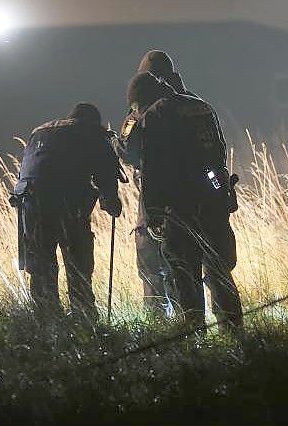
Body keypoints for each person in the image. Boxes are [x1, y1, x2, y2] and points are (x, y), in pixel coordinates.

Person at [125, 72, 242, 330]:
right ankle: (233, 332)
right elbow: (220, 151)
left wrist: (154, 212)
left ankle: (192, 334)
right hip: (213, 200)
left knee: (184, 273)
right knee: (219, 270)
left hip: (179, 207)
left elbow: (152, 167)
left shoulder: (156, 113)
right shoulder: (200, 105)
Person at [115, 50, 204, 317]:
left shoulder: (144, 107)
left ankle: (159, 325)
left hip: (155, 194)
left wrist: (115, 141)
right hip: (198, 196)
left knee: (151, 259)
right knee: (188, 262)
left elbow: (128, 149)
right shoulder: (194, 103)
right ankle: (190, 321)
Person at [13, 103, 122, 322]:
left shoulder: (40, 132)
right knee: (78, 263)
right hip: (67, 202)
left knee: (42, 268)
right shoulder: (91, 131)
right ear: (92, 120)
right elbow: (107, 171)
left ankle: (46, 323)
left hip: (30, 204)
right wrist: (110, 201)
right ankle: (84, 321)